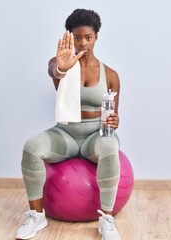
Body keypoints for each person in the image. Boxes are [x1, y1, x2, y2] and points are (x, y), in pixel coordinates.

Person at [15, 9, 122, 240]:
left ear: (96, 37)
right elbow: (54, 70)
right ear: (70, 36)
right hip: (66, 134)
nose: (83, 43)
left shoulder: (111, 74)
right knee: (32, 146)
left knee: (111, 146)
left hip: (96, 136)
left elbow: (115, 115)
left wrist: (115, 120)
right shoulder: (60, 62)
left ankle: (106, 219)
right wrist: (62, 68)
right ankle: (37, 215)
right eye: (77, 37)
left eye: (88, 37)